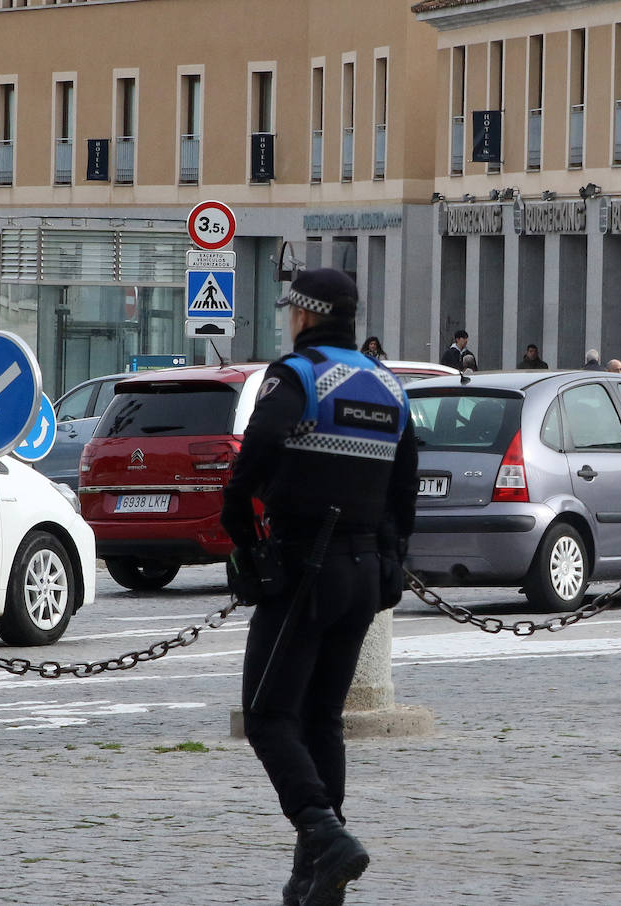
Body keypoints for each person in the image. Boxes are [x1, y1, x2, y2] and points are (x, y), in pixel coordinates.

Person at [221, 267, 419, 904]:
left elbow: (253, 459)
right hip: (363, 573)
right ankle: (316, 872)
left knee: (270, 716)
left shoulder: (297, 376)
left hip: (306, 569)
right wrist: (391, 557)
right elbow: (405, 487)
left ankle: (321, 831)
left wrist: (245, 539)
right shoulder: (390, 388)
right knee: (322, 720)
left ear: (304, 316)